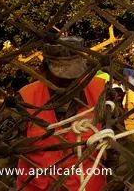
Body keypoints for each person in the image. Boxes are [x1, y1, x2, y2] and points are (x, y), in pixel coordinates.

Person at [14, 37, 110, 191]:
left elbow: (118, 150)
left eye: (74, 75)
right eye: (60, 76)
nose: (68, 82)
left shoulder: (100, 93)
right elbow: (5, 155)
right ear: (43, 70)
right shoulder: (26, 97)